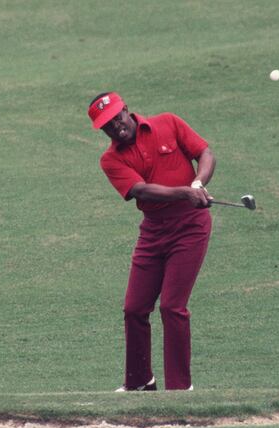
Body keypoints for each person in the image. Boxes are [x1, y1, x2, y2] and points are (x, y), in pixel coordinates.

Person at [88, 92, 216, 391]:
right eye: (107, 126)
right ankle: (140, 382)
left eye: (117, 118)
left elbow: (205, 153)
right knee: (134, 308)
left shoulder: (168, 123)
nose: (115, 127)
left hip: (190, 227)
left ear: (127, 111)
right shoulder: (111, 160)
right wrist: (185, 192)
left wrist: (197, 184)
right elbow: (141, 191)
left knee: (172, 307)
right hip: (153, 232)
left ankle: (179, 389)